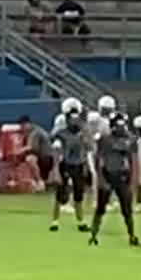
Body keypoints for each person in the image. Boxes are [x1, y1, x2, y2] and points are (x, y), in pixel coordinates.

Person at [88, 108, 141, 248]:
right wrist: (101, 179)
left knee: (127, 210)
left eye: (123, 125)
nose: (122, 128)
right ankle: (93, 235)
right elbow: (99, 160)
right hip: (108, 174)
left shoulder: (127, 139)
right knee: (101, 208)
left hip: (122, 176)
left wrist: (131, 177)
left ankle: (132, 235)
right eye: (119, 125)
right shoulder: (105, 140)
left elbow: (130, 159)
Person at [49, 99, 93, 232]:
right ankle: (54, 221)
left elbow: (87, 148)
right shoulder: (61, 132)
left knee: (79, 194)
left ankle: (81, 221)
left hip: (78, 164)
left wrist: (85, 166)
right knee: (60, 194)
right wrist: (56, 170)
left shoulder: (83, 131)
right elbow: (57, 151)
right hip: (66, 164)